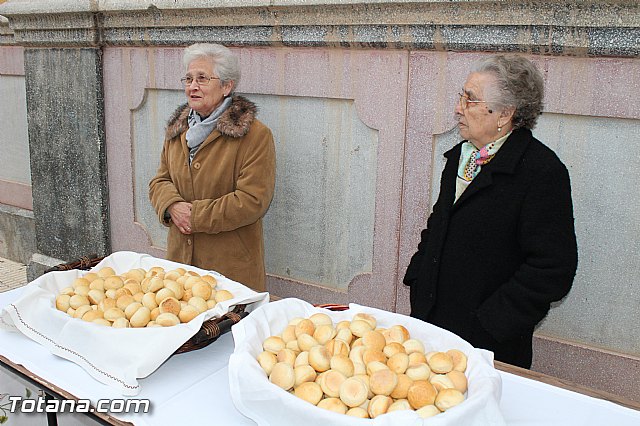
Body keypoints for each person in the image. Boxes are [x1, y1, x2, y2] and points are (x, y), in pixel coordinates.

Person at [403, 55, 578, 368]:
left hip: (487, 348)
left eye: (470, 99)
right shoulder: (462, 157)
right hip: (431, 330)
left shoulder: (542, 172)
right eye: (461, 96)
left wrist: (491, 323)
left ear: (505, 114)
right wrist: (419, 277)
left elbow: (553, 268)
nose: (458, 107)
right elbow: (439, 224)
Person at [149, 43, 276, 292]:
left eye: (202, 78)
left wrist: (194, 216)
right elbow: (160, 181)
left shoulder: (255, 135)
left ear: (227, 86)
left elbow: (252, 201)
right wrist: (172, 206)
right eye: (188, 78)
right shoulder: (178, 129)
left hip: (229, 272)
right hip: (181, 270)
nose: (192, 86)